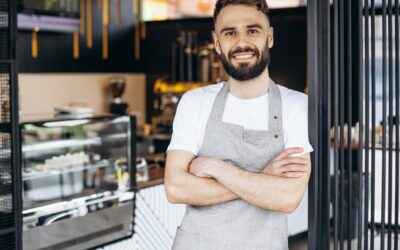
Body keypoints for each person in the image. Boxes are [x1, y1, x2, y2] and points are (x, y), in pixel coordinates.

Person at [165, 0, 313, 249]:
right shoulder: (195, 102)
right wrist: (263, 177)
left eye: (252, 30)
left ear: (270, 37)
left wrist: (215, 167)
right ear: (217, 42)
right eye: (230, 32)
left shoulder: (296, 105)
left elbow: (287, 197)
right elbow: (176, 188)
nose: (241, 42)